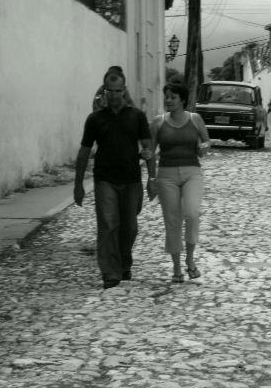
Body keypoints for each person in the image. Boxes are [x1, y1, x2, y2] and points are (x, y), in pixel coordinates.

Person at [74, 72, 155, 289]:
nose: (114, 95)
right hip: (105, 179)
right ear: (104, 91)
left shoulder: (136, 116)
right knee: (108, 224)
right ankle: (110, 272)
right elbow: (84, 152)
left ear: (124, 90)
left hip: (131, 179)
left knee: (129, 227)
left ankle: (124, 262)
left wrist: (152, 178)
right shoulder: (95, 119)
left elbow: (148, 148)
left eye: (118, 91)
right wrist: (78, 184)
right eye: (110, 91)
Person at [149, 82, 211, 283]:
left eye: (173, 97)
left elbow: (207, 140)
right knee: (172, 221)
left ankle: (190, 259)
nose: (168, 100)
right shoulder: (158, 122)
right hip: (166, 174)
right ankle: (176, 268)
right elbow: (150, 152)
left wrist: (204, 146)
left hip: (192, 171)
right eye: (166, 96)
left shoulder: (195, 119)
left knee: (192, 214)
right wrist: (151, 178)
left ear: (182, 100)